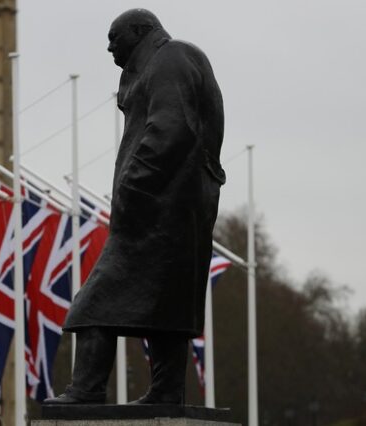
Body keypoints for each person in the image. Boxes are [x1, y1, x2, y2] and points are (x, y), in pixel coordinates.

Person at [46, 8, 226, 405]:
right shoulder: (166, 62)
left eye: (115, 37)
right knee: (166, 308)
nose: (109, 46)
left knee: (92, 305)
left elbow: (171, 129)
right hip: (172, 209)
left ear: (141, 32)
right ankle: (166, 393)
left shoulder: (171, 58)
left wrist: (133, 187)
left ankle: (87, 389)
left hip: (158, 209)